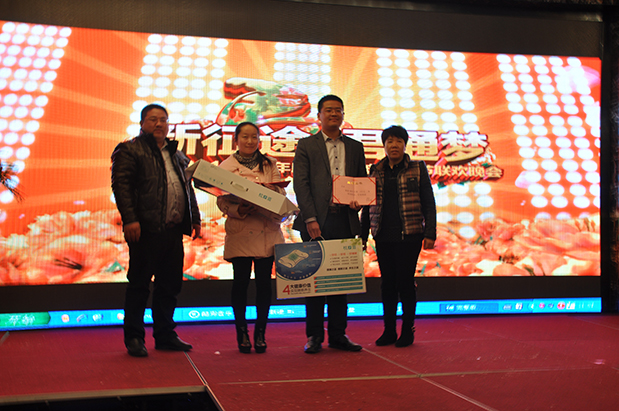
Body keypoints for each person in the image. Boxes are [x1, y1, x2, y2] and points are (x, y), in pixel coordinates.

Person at [111, 104, 201, 357]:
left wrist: (195, 218)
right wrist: (130, 219)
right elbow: (121, 187)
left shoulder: (176, 153)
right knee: (139, 286)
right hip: (145, 229)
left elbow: (187, 188)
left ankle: (165, 335)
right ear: (142, 124)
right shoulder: (130, 150)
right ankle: (134, 337)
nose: (159, 124)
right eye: (153, 119)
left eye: (163, 120)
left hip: (173, 230)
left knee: (169, 286)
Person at [292, 95, 367, 354]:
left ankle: (338, 334)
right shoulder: (306, 145)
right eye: (329, 110)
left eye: (338, 110)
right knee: (314, 282)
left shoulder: (355, 147)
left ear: (343, 115)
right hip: (316, 221)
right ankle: (314, 335)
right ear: (319, 115)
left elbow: (361, 181)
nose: (334, 114)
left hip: (345, 220)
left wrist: (359, 202)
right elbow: (301, 184)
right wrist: (310, 218)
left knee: (340, 282)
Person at [361, 125, 436, 347]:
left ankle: (407, 330)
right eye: (390, 141)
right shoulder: (375, 170)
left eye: (398, 141)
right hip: (383, 234)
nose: (394, 145)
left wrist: (430, 233)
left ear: (405, 144)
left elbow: (429, 203)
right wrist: (362, 236)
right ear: (384, 145)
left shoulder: (417, 168)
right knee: (387, 284)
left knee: (405, 282)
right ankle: (389, 330)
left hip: (410, 235)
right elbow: (367, 205)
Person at [217, 122, 285, 354]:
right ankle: (242, 332)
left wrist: (267, 191)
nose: (249, 141)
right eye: (244, 137)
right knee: (241, 284)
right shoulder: (226, 166)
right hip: (242, 231)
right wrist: (239, 209)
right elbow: (221, 200)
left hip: (267, 229)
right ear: (236, 139)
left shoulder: (270, 163)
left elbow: (281, 192)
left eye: (254, 137)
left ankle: (260, 332)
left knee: (264, 285)